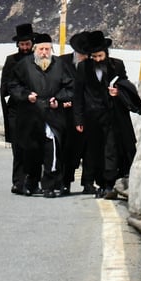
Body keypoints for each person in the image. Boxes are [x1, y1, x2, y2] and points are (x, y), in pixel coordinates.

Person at [73, 30, 140, 199]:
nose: (97, 59)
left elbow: (125, 85)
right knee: (96, 151)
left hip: (113, 116)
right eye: (94, 57)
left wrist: (118, 92)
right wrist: (79, 119)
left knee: (111, 149)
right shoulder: (82, 67)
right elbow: (78, 95)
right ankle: (101, 183)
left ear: (106, 53)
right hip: (92, 118)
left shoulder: (117, 65)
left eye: (100, 56)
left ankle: (110, 183)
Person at [8, 31, 74, 197]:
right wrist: (26, 95)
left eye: (47, 49)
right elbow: (13, 86)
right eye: (41, 49)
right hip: (31, 114)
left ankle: (49, 185)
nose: (44, 53)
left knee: (51, 150)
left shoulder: (59, 64)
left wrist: (57, 99)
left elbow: (70, 87)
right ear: (35, 49)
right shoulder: (24, 65)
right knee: (32, 151)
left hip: (52, 114)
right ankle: (31, 183)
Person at [1, 23, 35, 194]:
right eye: (22, 44)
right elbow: (5, 86)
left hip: (34, 109)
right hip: (16, 110)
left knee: (33, 147)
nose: (24, 47)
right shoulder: (11, 60)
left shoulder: (38, 58)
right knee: (18, 147)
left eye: (27, 44)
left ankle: (31, 180)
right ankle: (18, 181)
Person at [56, 32, 90, 195]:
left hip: (87, 112)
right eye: (82, 53)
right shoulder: (62, 62)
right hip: (67, 114)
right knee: (68, 149)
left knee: (88, 149)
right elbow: (55, 86)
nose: (84, 56)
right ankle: (65, 181)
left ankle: (88, 182)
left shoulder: (92, 65)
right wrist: (64, 100)